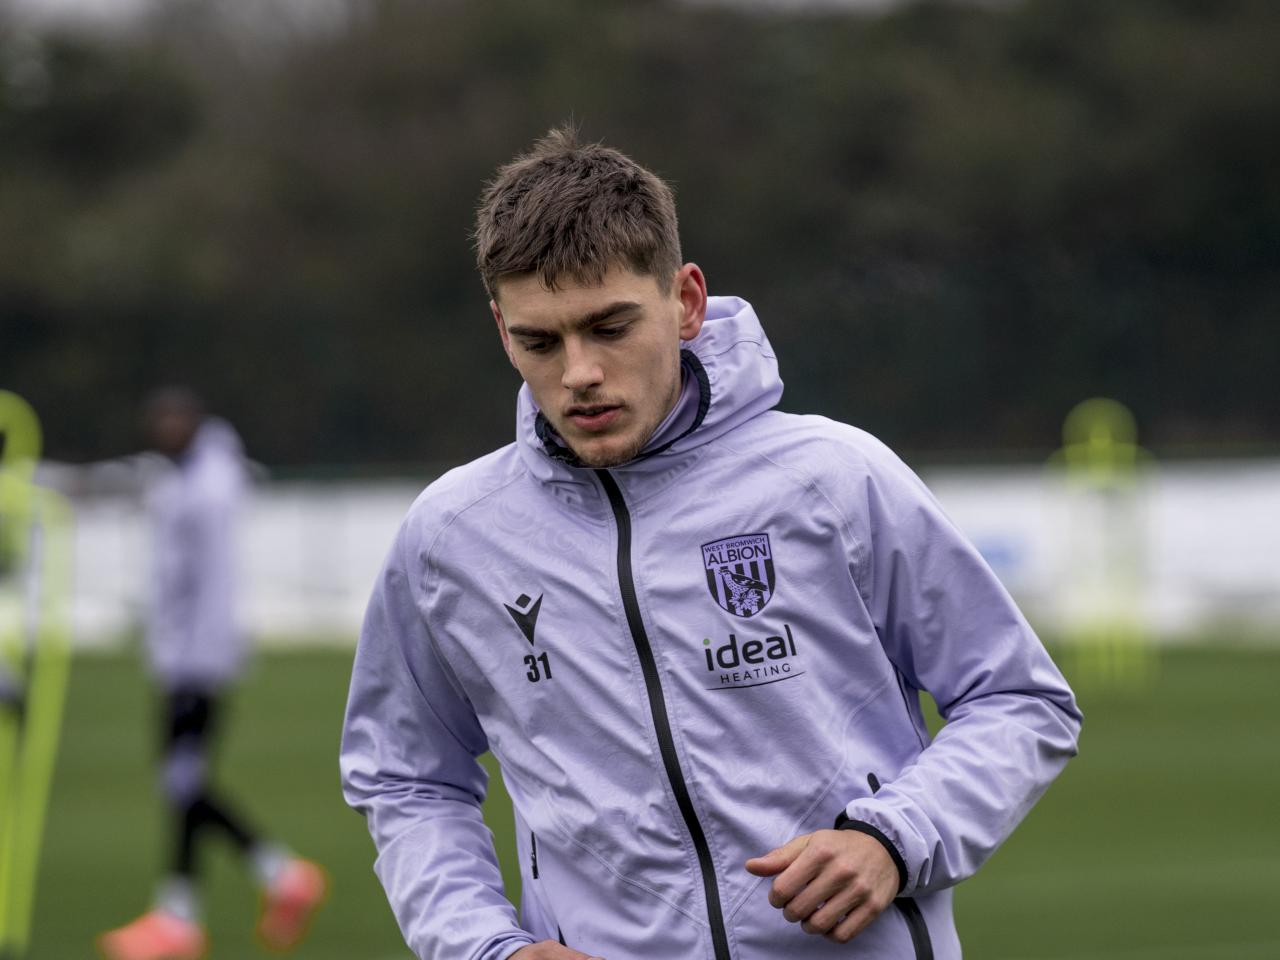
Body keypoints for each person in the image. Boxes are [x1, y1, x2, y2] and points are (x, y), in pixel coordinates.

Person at [340, 128, 1082, 960]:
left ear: (686, 301)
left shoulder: (835, 479)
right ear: (501, 331)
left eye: (610, 326)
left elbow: (1020, 699)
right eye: (539, 342)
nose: (579, 372)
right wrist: (485, 946)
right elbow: (404, 777)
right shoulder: (451, 537)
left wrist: (894, 837)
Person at [98, 388, 327, 960]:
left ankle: (277, 875)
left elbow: (206, 584)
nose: (164, 428)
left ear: (195, 423)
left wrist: (190, 660)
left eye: (174, 419)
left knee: (182, 780)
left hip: (196, 660)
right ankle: (181, 914)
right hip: (185, 654)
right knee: (181, 781)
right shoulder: (190, 479)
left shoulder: (207, 489)